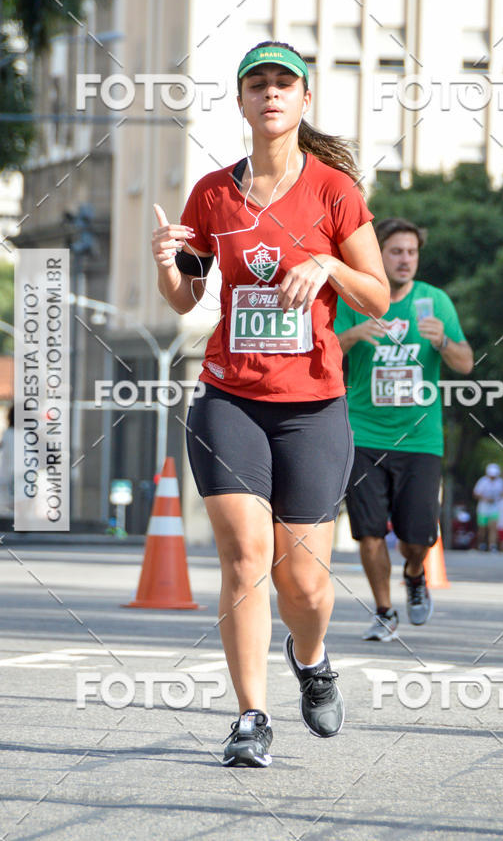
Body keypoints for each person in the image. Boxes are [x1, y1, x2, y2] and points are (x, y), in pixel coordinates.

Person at [151, 41, 389, 766]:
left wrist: (324, 263)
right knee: (244, 558)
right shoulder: (213, 193)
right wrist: (168, 265)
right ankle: (251, 716)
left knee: (306, 583)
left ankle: (310, 659)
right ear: (243, 101)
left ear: (304, 100)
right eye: (258, 83)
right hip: (229, 397)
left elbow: (376, 293)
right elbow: (186, 297)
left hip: (312, 404)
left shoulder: (334, 192)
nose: (272, 93)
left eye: (285, 83)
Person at [334, 218, 473, 640]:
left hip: (419, 438)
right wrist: (354, 334)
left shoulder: (434, 302)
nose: (406, 260)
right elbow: (321, 349)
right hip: (364, 435)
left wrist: (443, 343)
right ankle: (383, 611)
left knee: (418, 538)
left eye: (412, 252)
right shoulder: (354, 299)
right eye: (396, 251)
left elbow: (466, 363)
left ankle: (415, 576)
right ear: (378, 254)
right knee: (370, 532)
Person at [473, 464, 503, 551]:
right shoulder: (483, 481)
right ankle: (482, 544)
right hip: (483, 508)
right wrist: (485, 498)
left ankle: (492, 546)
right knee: (482, 528)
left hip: (495, 508)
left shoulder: (500, 482)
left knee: (493, 527)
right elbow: (476, 493)